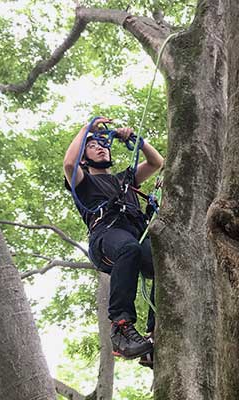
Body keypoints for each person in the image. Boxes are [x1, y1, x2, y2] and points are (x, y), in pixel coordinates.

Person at [63, 117, 164, 362]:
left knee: (166, 260)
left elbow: (156, 162)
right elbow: (68, 163)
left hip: (135, 235)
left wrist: (134, 140)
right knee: (128, 249)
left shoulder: (125, 180)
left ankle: (154, 334)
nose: (101, 147)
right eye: (92, 145)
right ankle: (121, 327)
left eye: (103, 144)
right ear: (84, 158)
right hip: (106, 236)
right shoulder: (84, 182)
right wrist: (87, 127)